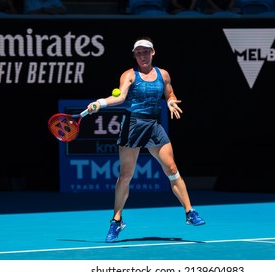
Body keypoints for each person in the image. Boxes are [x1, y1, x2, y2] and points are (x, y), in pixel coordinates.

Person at [87, 36, 206, 243]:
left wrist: (169, 102)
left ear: (153, 53)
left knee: (172, 169)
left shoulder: (163, 74)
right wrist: (100, 103)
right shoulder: (129, 75)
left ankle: (190, 212)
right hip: (132, 124)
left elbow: (170, 94)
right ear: (134, 55)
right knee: (126, 175)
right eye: (138, 52)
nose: (142, 55)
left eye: (146, 51)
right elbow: (120, 97)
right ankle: (116, 221)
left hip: (153, 125)